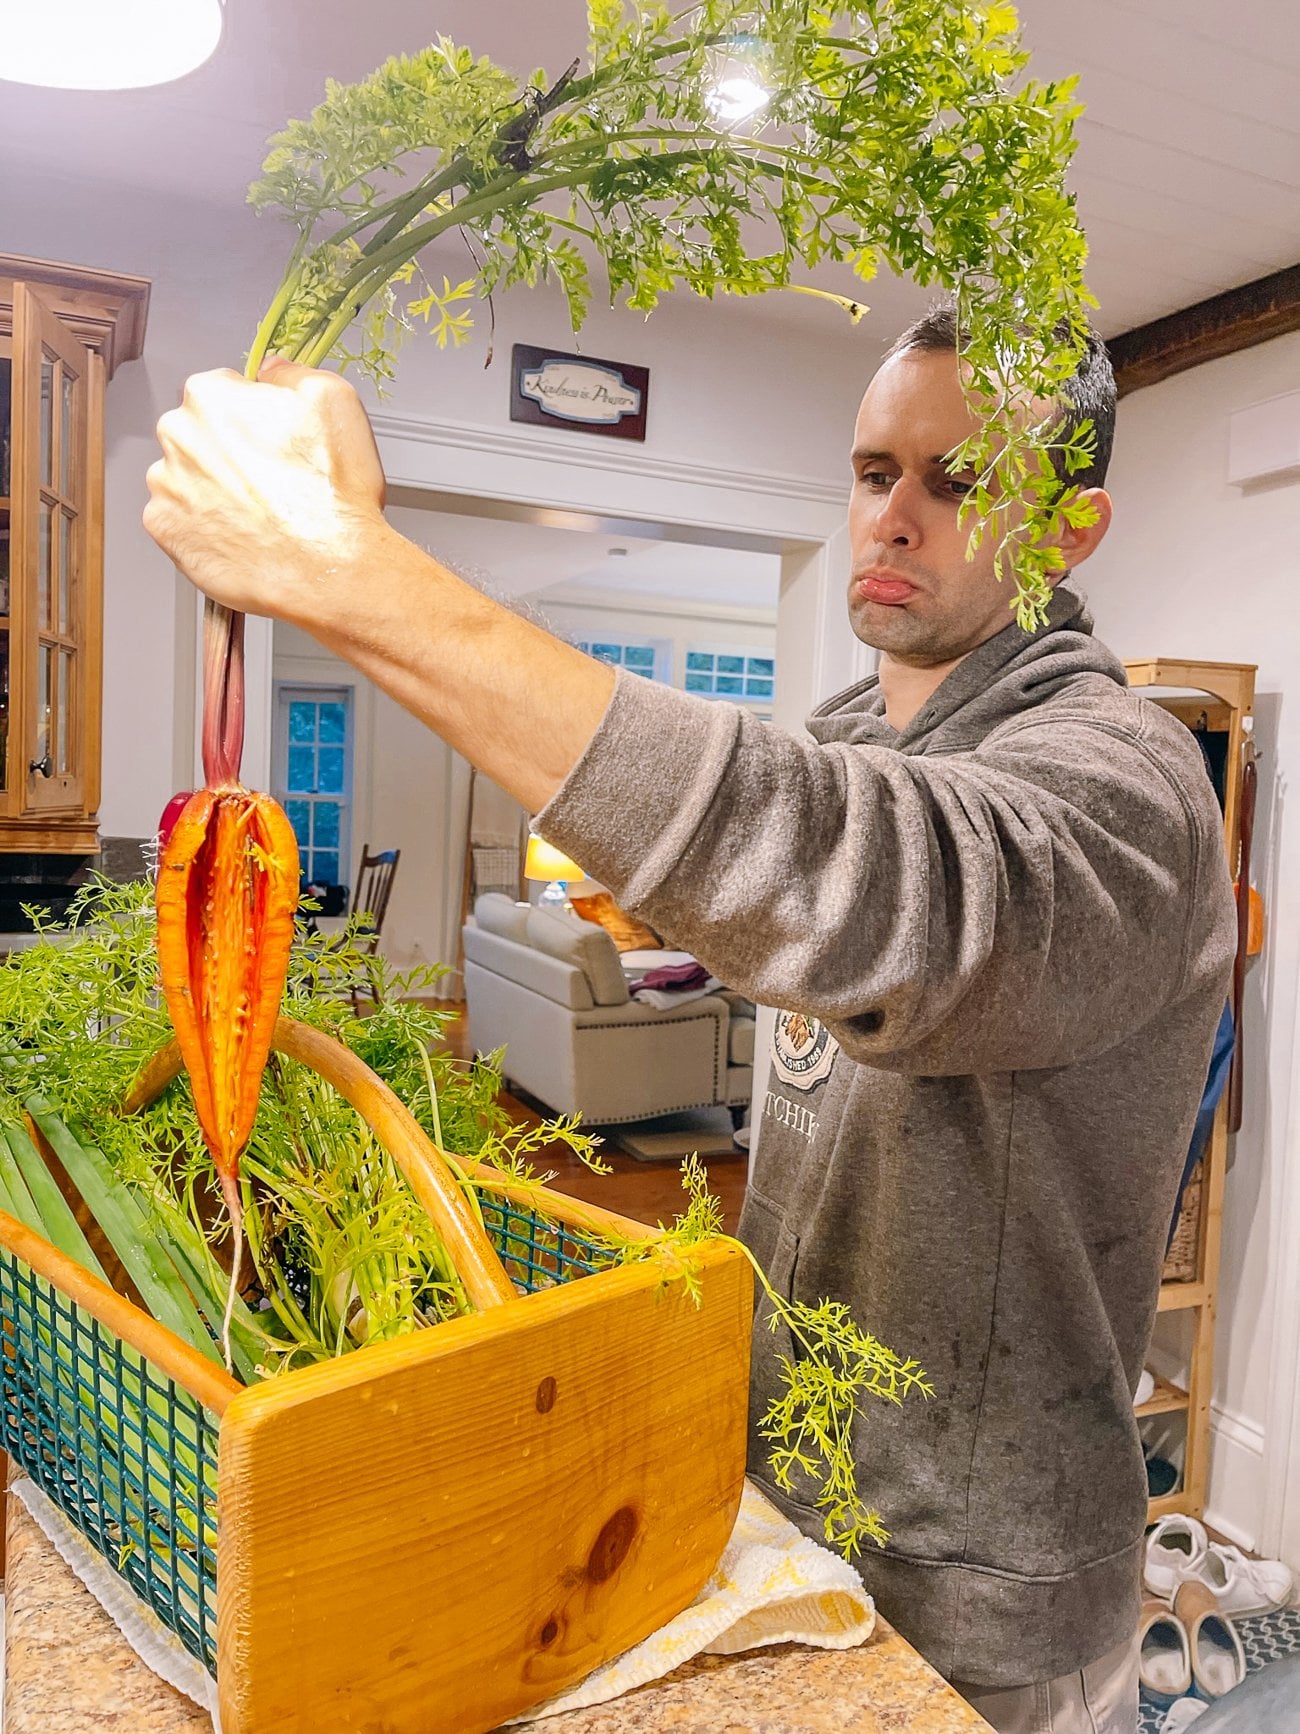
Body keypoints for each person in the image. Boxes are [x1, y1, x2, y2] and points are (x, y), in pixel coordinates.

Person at [144, 303, 1235, 1732]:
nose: (892, 516)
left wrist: (350, 571)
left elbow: (873, 875)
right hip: (770, 1493)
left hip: (981, 1598)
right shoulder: (846, 730)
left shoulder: (1132, 778)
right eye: (870, 471)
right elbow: (743, 821)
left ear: (1075, 528)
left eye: (954, 482)